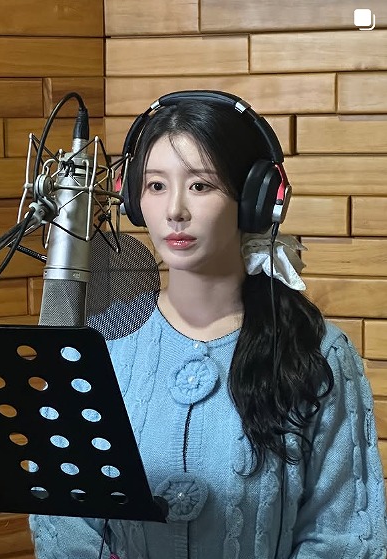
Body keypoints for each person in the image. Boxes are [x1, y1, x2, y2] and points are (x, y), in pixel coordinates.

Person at [29, 90, 387, 558]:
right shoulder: (100, 346)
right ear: (132, 198)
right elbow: (62, 514)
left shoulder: (319, 354)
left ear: (256, 200)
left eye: (200, 186)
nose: (175, 210)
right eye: (156, 186)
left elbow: (341, 535)